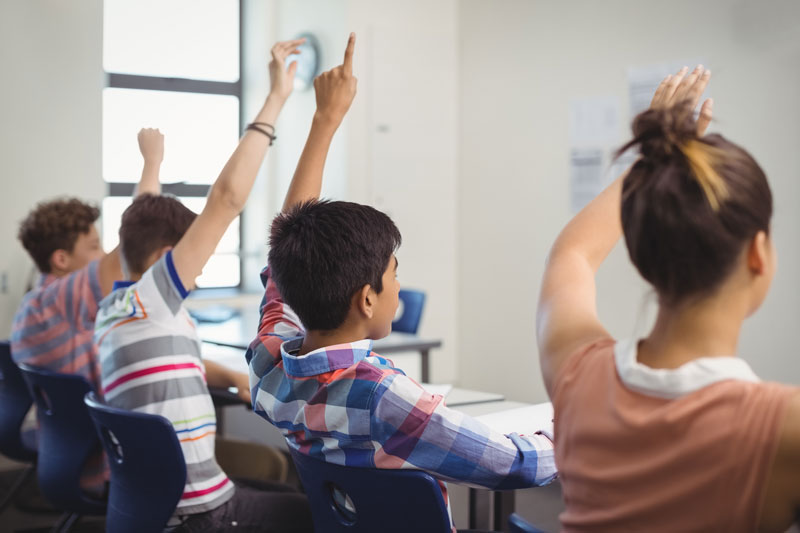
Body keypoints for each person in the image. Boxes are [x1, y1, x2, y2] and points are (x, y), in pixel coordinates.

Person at [247, 33, 557, 531]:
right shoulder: (381, 395)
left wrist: (326, 121)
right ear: (366, 299)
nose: (398, 285)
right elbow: (514, 464)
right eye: (395, 275)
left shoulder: (268, 362)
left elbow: (281, 259)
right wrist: (574, 429)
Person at [537, 65, 800, 531]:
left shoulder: (576, 374)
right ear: (758, 254)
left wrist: (653, 162)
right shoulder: (783, 428)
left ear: (641, 257)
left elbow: (573, 252)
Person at [94, 39, 313, 532]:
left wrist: (152, 164)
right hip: (202, 515)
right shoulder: (156, 297)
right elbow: (228, 198)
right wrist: (276, 97)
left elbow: (139, 227)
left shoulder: (115, 306)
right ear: (162, 261)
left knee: (280, 489)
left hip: (151, 508)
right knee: (320, 513)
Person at [11, 127, 165, 493]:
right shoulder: (53, 303)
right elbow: (132, 248)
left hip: (70, 457)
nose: (103, 256)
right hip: (105, 469)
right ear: (61, 260)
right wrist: (152, 163)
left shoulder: (42, 306)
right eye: (95, 246)